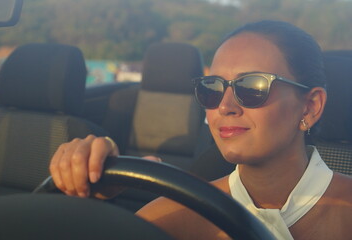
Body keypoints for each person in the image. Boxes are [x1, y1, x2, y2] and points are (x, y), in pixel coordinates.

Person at [49, 20, 352, 239]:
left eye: (252, 86)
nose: (225, 106)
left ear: (310, 106)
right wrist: (85, 198)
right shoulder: (173, 215)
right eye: (213, 88)